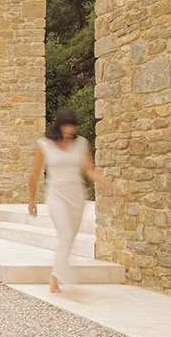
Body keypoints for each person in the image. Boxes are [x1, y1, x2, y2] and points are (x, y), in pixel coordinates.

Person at [28, 108, 127, 293]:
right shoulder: (44, 145)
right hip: (56, 194)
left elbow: (90, 171)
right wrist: (31, 200)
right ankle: (55, 278)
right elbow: (34, 173)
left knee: (69, 237)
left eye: (73, 126)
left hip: (76, 195)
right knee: (65, 235)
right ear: (59, 125)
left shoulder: (81, 143)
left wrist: (112, 186)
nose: (71, 129)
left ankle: (56, 274)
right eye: (67, 125)